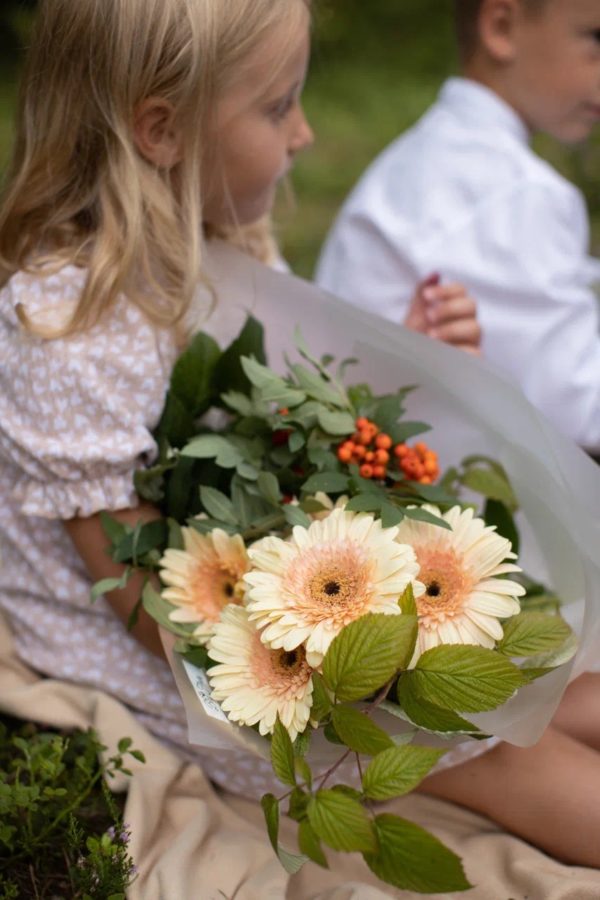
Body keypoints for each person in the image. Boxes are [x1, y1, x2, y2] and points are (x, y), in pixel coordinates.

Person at [0, 0, 597, 877]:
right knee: (499, 748)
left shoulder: (215, 248)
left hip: (278, 588)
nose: (307, 133)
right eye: (279, 108)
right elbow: (145, 605)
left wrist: (399, 362)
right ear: (163, 131)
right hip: (211, 666)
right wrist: (355, 667)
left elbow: (280, 418)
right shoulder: (66, 330)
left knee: (551, 686)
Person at [316, 0, 600, 455]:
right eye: (596, 39)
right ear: (501, 26)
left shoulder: (430, 156)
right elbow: (577, 406)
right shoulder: (515, 191)